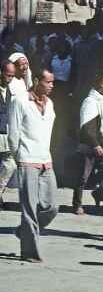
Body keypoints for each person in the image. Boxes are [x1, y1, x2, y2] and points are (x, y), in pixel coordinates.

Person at [8, 69, 57, 262]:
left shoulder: (50, 103)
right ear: (36, 80)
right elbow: (14, 134)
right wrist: (19, 157)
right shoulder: (20, 101)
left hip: (46, 160)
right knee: (29, 207)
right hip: (27, 159)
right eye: (48, 82)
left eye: (53, 82)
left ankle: (23, 231)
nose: (51, 85)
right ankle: (29, 252)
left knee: (51, 207)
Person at [73, 71, 103, 216]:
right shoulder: (90, 102)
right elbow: (87, 127)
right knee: (83, 177)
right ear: (97, 83)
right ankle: (77, 205)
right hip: (90, 146)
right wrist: (95, 144)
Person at [0, 62, 17, 210]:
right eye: (7, 75)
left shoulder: (10, 90)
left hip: (5, 133)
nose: (10, 78)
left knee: (10, 164)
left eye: (12, 75)